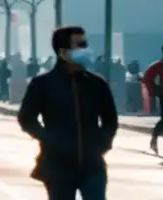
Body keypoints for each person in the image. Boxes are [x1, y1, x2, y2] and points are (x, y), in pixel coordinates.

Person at [17, 25, 117, 200]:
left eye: (85, 44)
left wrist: (103, 142)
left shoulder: (97, 84)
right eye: (79, 45)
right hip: (58, 166)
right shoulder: (42, 84)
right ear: (62, 51)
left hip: (92, 165)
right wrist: (48, 139)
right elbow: (27, 118)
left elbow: (110, 119)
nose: (85, 50)